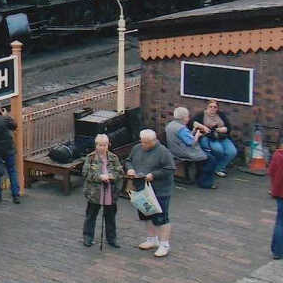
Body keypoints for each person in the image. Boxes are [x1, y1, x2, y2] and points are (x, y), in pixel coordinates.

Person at [127, 130, 176, 258]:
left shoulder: (163, 152)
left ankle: (164, 244)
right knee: (146, 215)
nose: (143, 145)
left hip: (160, 190)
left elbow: (170, 169)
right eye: (142, 141)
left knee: (161, 217)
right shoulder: (137, 148)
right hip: (142, 189)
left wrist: (153, 175)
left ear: (154, 141)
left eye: (146, 143)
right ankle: (151, 239)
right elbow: (128, 160)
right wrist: (130, 169)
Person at [81, 134, 123, 248]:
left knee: (110, 217)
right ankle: (88, 237)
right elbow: (85, 173)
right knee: (91, 215)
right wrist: (99, 177)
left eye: (105, 145)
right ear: (96, 145)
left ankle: (111, 239)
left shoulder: (113, 158)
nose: (102, 147)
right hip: (94, 193)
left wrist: (111, 176)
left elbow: (120, 172)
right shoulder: (90, 158)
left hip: (110, 192)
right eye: (100, 145)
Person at [165, 106, 215, 188]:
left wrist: (193, 131)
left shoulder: (171, 125)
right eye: (188, 116)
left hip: (175, 149)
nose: (188, 119)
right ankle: (205, 183)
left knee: (204, 158)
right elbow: (191, 142)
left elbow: (184, 138)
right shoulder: (181, 128)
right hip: (184, 152)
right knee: (210, 159)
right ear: (183, 118)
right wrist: (198, 135)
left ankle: (199, 176)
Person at [193, 100, 238, 177]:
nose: (213, 109)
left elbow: (228, 127)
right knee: (218, 150)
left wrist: (224, 129)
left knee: (232, 152)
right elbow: (192, 122)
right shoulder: (201, 114)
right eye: (210, 106)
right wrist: (204, 127)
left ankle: (219, 168)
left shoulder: (220, 115)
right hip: (210, 137)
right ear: (207, 107)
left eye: (215, 107)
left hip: (222, 136)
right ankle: (214, 167)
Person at [270, 143, 283, 260]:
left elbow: (272, 172)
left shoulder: (278, 155)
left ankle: (277, 251)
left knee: (280, 222)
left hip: (280, 192)